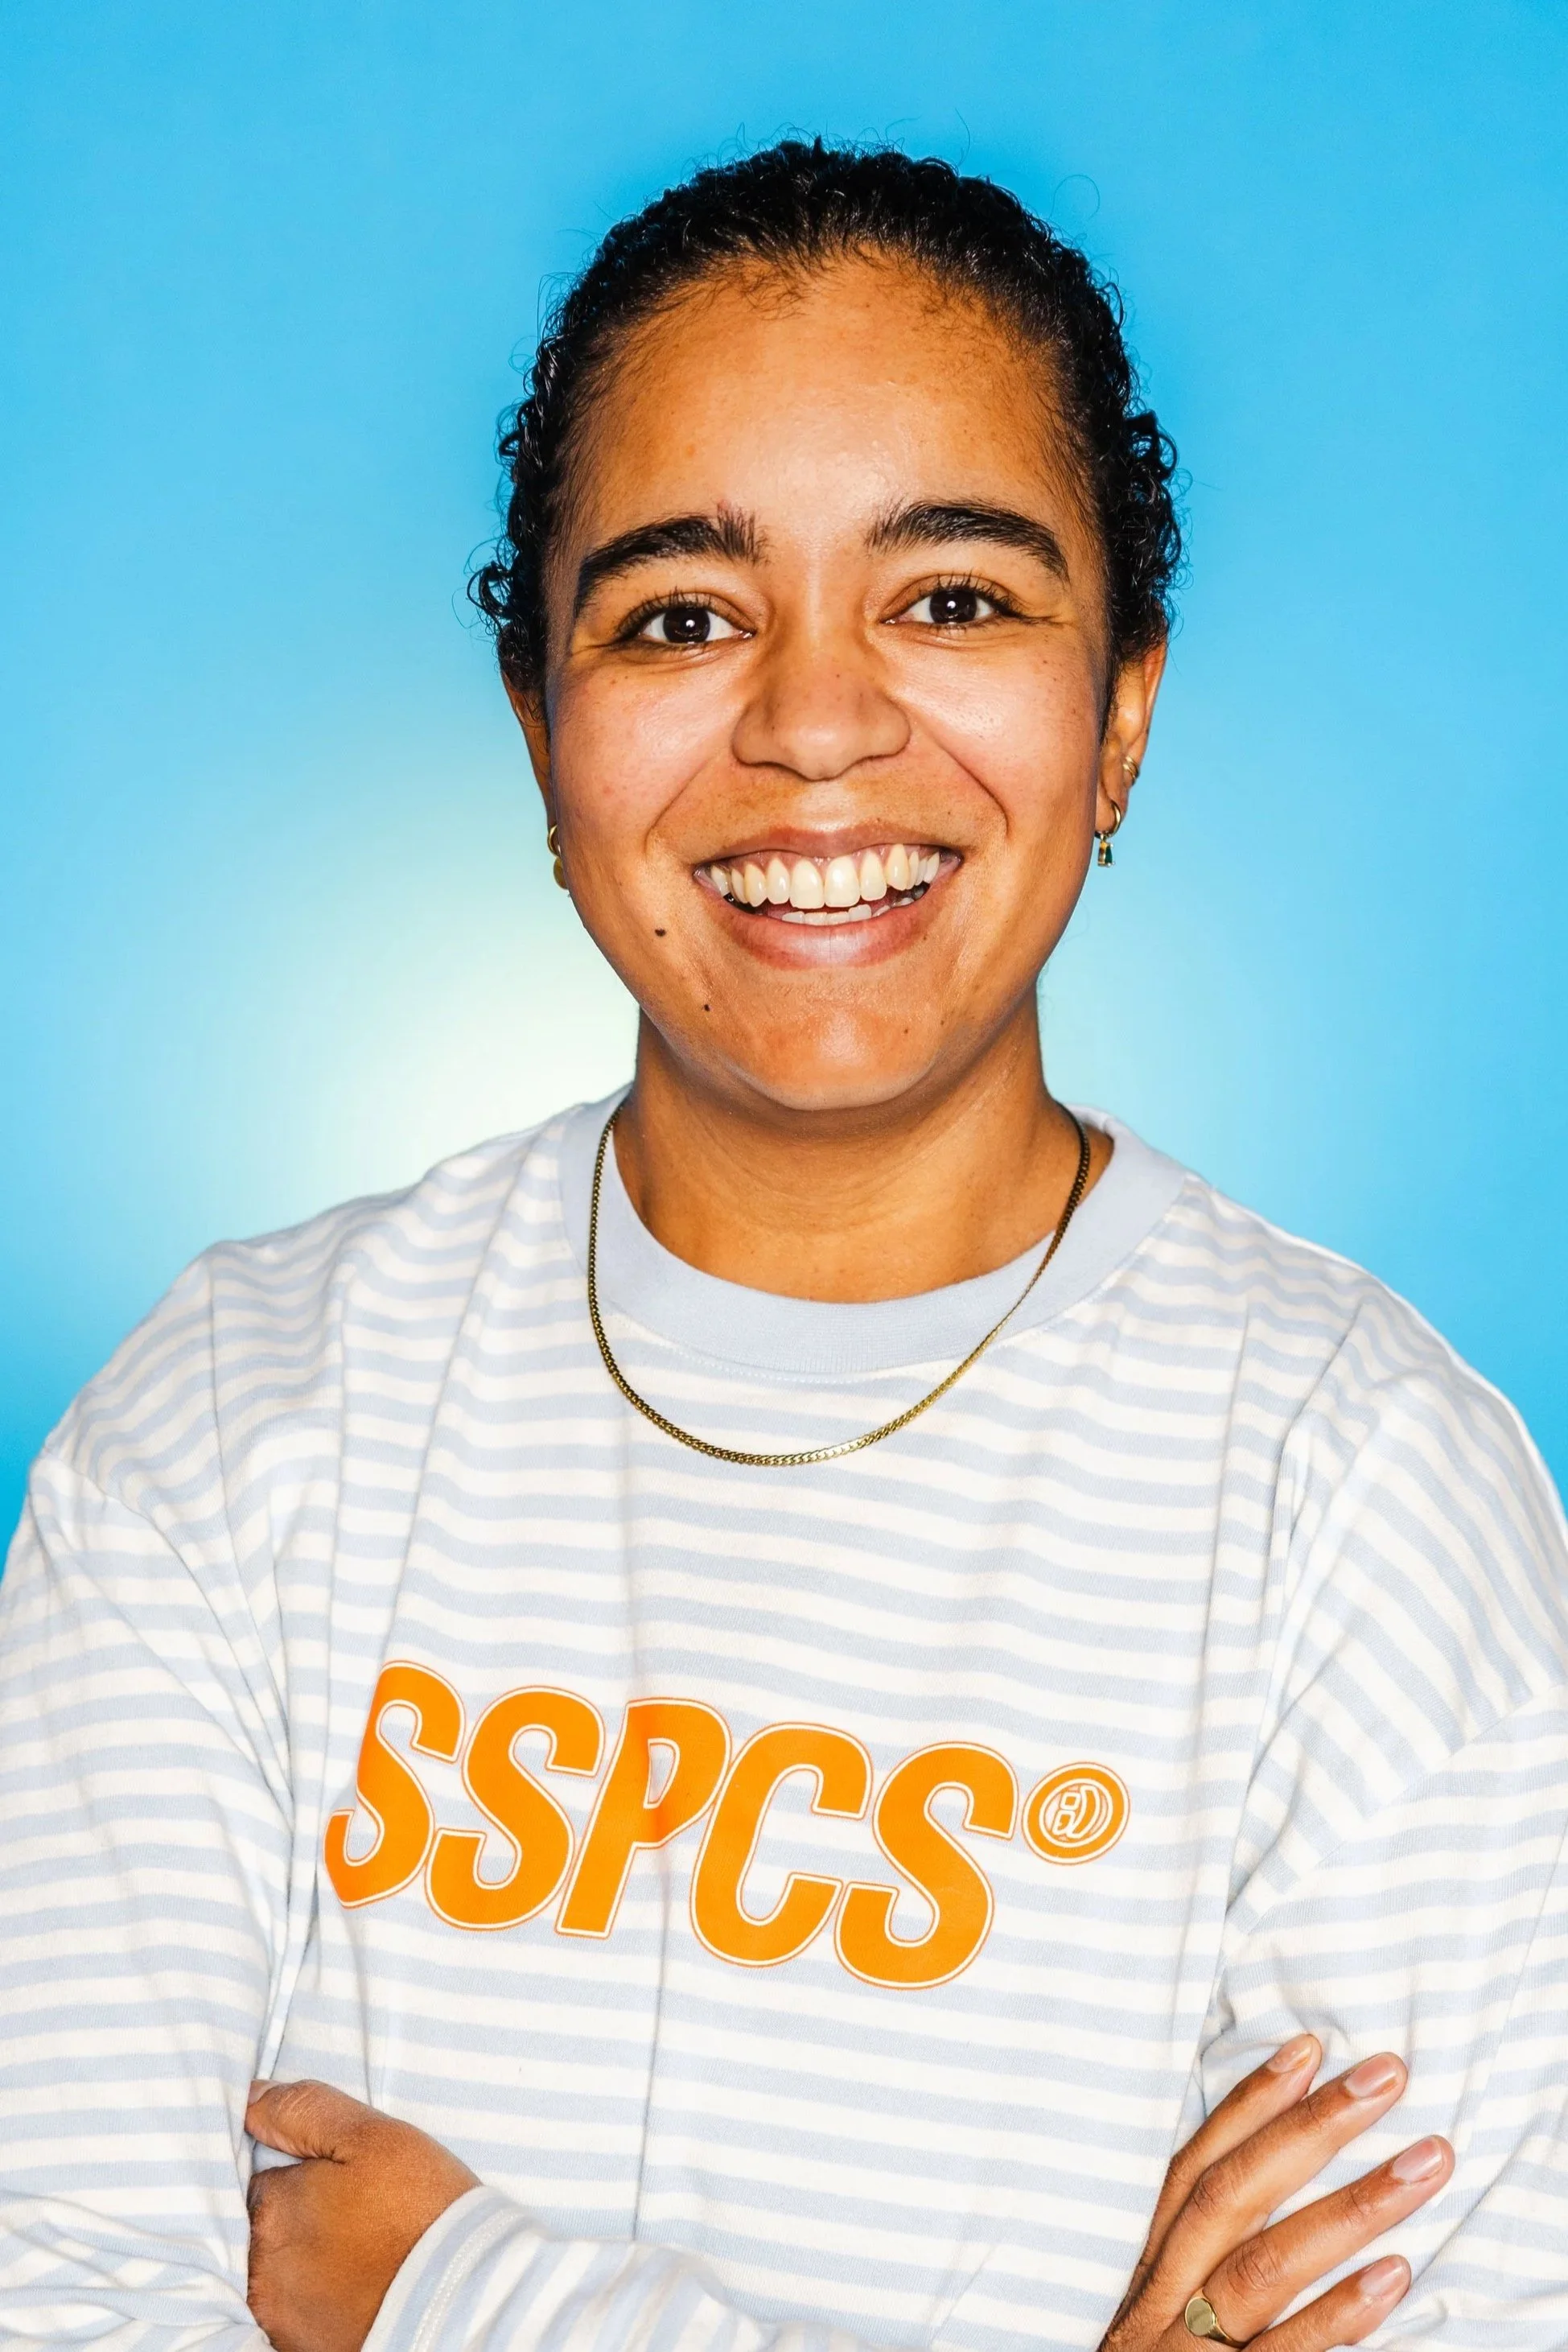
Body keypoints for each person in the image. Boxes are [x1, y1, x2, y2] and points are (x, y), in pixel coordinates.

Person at [1, 139, 1564, 2352]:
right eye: (679, 616)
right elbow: (56, 2300)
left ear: (1119, 714)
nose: (815, 728)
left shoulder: (1359, 1491)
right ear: (541, 728)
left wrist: (459, 2294)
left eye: (953, 600)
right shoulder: (238, 1418)